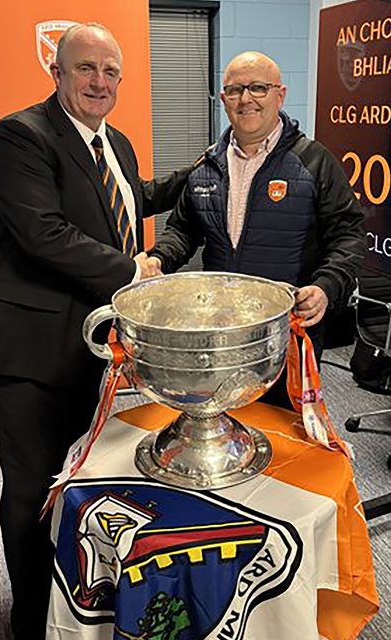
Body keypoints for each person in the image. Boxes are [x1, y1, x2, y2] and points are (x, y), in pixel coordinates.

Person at [0, 23, 197, 639]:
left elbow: (126, 200)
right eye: (86, 69)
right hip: (28, 348)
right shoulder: (20, 135)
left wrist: (204, 170)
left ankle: (67, 604)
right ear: (58, 73)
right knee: (31, 486)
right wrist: (134, 271)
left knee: (77, 482)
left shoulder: (114, 141)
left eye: (111, 72)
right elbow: (43, 231)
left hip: (89, 346)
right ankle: (27, 621)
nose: (100, 82)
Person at [147, 51, 365, 407]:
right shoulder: (208, 164)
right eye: (234, 90)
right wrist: (159, 259)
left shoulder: (314, 161)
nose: (245, 99)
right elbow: (184, 229)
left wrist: (326, 288)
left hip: (286, 332)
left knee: (283, 433)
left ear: (280, 94)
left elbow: (348, 235)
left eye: (258, 88)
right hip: (220, 332)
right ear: (223, 99)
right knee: (219, 418)